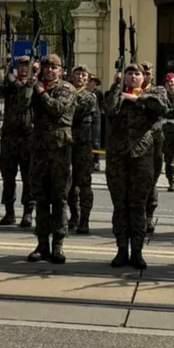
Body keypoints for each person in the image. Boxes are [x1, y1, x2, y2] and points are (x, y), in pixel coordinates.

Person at [104, 64, 166, 270]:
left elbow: (160, 108)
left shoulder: (154, 93)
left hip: (141, 157)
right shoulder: (116, 93)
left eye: (137, 74)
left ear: (144, 77)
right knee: (120, 206)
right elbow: (110, 110)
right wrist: (115, 85)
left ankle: (137, 251)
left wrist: (136, 99)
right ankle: (122, 250)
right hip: (118, 158)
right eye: (129, 74)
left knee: (138, 206)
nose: (132, 77)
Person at [25, 54, 76, 264]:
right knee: (41, 198)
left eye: (53, 68)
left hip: (59, 149)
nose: (49, 70)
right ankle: (42, 243)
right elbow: (21, 104)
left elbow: (57, 109)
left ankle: (58, 245)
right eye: (46, 67)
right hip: (39, 150)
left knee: (59, 198)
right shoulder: (36, 86)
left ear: (61, 70)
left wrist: (42, 93)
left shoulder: (67, 89)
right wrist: (30, 80)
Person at [0, 55, 35, 227]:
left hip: (28, 137)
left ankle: (28, 212)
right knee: (8, 177)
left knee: (29, 177)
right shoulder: (10, 86)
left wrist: (35, 77)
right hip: (10, 137)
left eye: (27, 65)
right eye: (21, 65)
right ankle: (9, 212)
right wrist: (4, 66)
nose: (24, 68)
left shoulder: (35, 85)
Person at [67, 64, 98, 234]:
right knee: (69, 183)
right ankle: (74, 215)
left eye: (83, 75)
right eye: (77, 74)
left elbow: (75, 112)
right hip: (67, 143)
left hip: (83, 145)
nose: (80, 77)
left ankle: (84, 219)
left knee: (84, 183)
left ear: (87, 80)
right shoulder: (66, 92)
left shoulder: (89, 97)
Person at [142, 61, 166, 234]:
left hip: (154, 140)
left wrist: (140, 99)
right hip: (135, 141)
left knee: (151, 179)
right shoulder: (126, 89)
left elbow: (161, 108)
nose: (145, 75)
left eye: (148, 73)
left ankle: (148, 215)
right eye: (142, 72)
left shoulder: (158, 91)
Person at [88, 76, 103, 172]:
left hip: (96, 118)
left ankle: (96, 161)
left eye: (92, 82)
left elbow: (101, 104)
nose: (90, 83)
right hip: (85, 118)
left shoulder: (98, 93)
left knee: (95, 141)